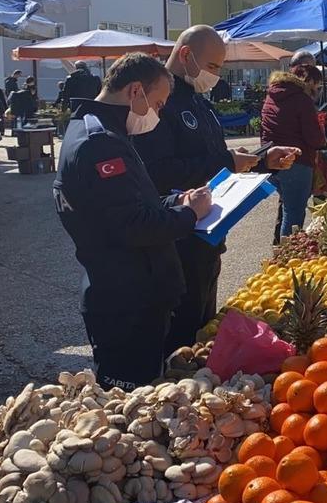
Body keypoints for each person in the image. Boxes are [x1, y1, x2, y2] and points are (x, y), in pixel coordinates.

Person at [134, 25, 300, 356]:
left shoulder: (200, 102)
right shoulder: (158, 104)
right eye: (212, 67)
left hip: (210, 235)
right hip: (177, 238)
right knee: (180, 337)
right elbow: (156, 172)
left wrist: (265, 158)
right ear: (185, 55)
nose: (215, 76)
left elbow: (218, 160)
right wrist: (226, 162)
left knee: (202, 325)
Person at [53, 52, 213, 390]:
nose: (157, 114)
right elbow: (134, 225)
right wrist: (189, 214)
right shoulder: (101, 145)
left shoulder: (101, 130)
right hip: (127, 301)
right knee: (130, 403)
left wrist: (176, 200)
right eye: (158, 103)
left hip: (130, 293)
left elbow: (132, 203)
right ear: (136, 91)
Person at [262, 64, 326, 242]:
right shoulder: (301, 99)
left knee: (287, 208)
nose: (317, 90)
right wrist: (323, 139)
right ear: (310, 81)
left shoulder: (271, 95)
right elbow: (314, 138)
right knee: (294, 214)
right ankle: (288, 257)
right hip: (296, 161)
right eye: (318, 85)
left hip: (271, 161)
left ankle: (282, 250)